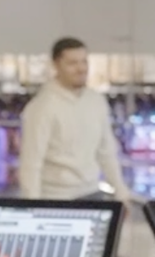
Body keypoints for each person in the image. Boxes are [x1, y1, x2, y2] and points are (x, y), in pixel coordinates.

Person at [16, 36, 130, 200]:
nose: (81, 68)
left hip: (92, 193)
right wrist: (32, 206)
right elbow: (31, 162)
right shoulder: (42, 107)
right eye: (72, 63)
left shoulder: (96, 101)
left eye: (84, 62)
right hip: (56, 197)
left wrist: (120, 190)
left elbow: (106, 151)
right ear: (56, 65)